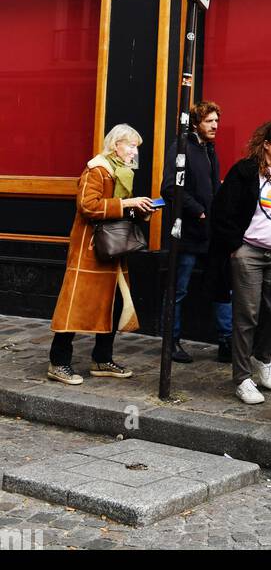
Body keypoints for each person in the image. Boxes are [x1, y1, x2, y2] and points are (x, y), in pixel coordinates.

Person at [48, 125, 154, 384]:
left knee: (112, 303)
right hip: (91, 249)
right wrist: (126, 203)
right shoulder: (97, 169)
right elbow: (87, 205)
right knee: (77, 304)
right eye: (130, 146)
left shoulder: (122, 172)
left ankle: (101, 358)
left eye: (135, 147)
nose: (133, 152)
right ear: (116, 144)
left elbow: (117, 210)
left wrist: (140, 208)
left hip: (113, 248)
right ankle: (58, 362)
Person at [209, 121, 271, 404]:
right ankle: (242, 379)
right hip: (249, 253)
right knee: (247, 316)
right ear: (266, 143)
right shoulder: (245, 171)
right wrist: (235, 247)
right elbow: (222, 209)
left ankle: (262, 357)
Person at [161, 100, 232, 363]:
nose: (215, 126)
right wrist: (198, 210)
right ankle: (171, 341)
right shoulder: (181, 148)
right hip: (189, 233)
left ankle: (226, 341)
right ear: (195, 123)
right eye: (209, 121)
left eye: (216, 121)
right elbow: (169, 187)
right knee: (178, 289)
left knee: (222, 285)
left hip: (211, 233)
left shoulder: (209, 149)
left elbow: (213, 187)